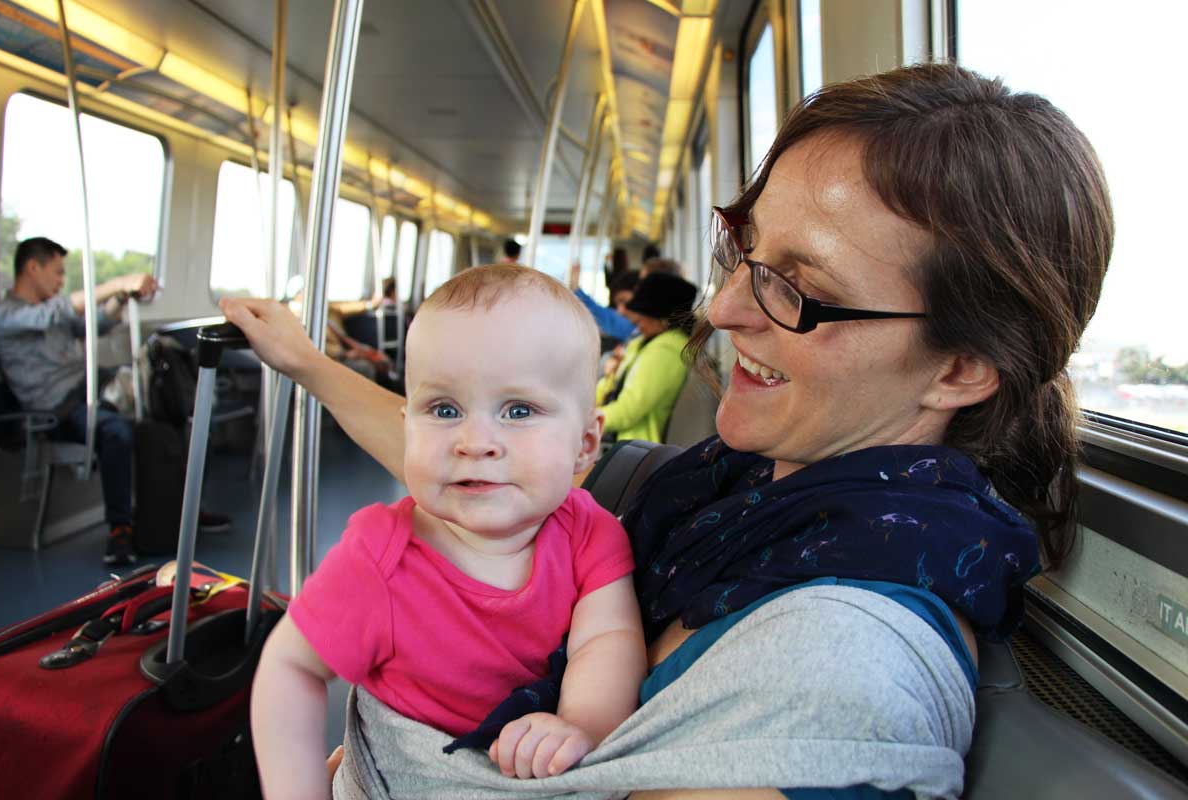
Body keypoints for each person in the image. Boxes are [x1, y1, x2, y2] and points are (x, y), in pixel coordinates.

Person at [223, 63, 1112, 798]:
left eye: (796, 289)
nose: (723, 309)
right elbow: (482, 463)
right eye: (745, 252)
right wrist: (306, 364)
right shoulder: (730, 494)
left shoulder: (834, 672)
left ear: (960, 367)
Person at [249, 265, 646, 797]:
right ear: (406, 420)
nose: (474, 441)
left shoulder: (589, 534)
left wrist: (579, 725)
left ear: (585, 443)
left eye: (519, 410)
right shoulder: (379, 559)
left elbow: (607, 640)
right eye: (443, 409)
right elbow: (290, 666)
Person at [0, 238, 156, 564]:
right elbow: (57, 312)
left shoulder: (51, 312)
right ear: (32, 268)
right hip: (55, 410)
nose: (61, 281)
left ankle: (170, 512)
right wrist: (116, 283)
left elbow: (98, 322)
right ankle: (120, 530)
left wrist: (121, 297)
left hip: (88, 392)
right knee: (116, 432)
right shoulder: (2, 316)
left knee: (159, 412)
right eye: (58, 272)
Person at [596, 273, 697, 444]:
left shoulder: (666, 352)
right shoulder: (643, 342)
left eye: (643, 313)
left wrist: (586, 422)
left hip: (632, 448)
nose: (636, 318)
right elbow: (610, 382)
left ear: (663, 318)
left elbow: (629, 411)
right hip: (614, 437)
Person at [567, 261, 638, 344]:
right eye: (618, 304)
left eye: (624, 301)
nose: (620, 311)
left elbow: (611, 320)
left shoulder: (634, 330)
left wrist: (576, 290)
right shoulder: (636, 334)